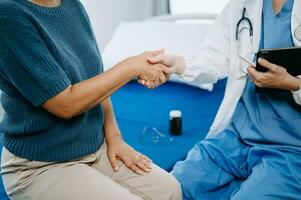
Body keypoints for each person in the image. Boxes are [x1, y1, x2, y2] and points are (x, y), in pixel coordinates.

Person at [0, 0, 182, 199]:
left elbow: (95, 78)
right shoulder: (9, 15)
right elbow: (65, 104)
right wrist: (132, 67)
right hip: (42, 164)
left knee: (170, 191)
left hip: (94, 148)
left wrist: (114, 138)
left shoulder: (71, 4)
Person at [147, 0, 301, 199]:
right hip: (236, 137)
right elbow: (214, 56)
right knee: (173, 186)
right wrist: (178, 63)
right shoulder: (241, 6)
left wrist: (293, 84)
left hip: (291, 148)